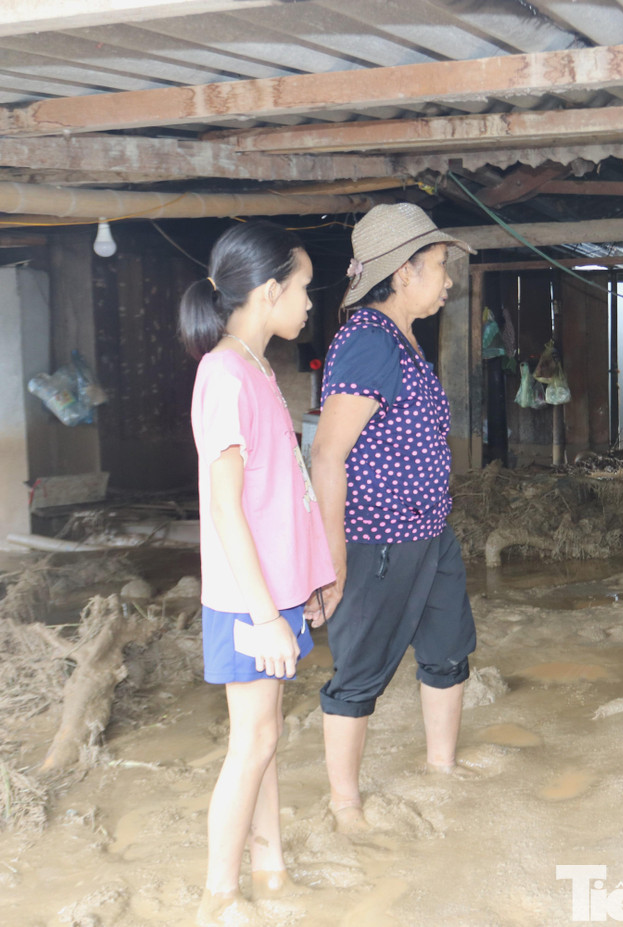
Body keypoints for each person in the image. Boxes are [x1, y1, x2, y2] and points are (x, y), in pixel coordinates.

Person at [181, 221, 336, 925]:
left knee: (268, 732)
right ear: (271, 290)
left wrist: (300, 588)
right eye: (303, 287)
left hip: (272, 593)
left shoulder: (256, 368)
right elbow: (225, 508)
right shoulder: (223, 375)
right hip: (248, 601)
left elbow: (282, 495)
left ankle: (269, 867)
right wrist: (266, 612)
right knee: (254, 740)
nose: (310, 302)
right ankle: (219, 892)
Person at [310, 203, 478, 832]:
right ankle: (345, 806)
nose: (448, 279)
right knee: (358, 673)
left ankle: (442, 771)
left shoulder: (401, 336)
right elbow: (326, 453)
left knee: (447, 651)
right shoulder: (369, 341)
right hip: (379, 538)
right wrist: (331, 555)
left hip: (430, 532)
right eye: (439, 266)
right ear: (404, 272)